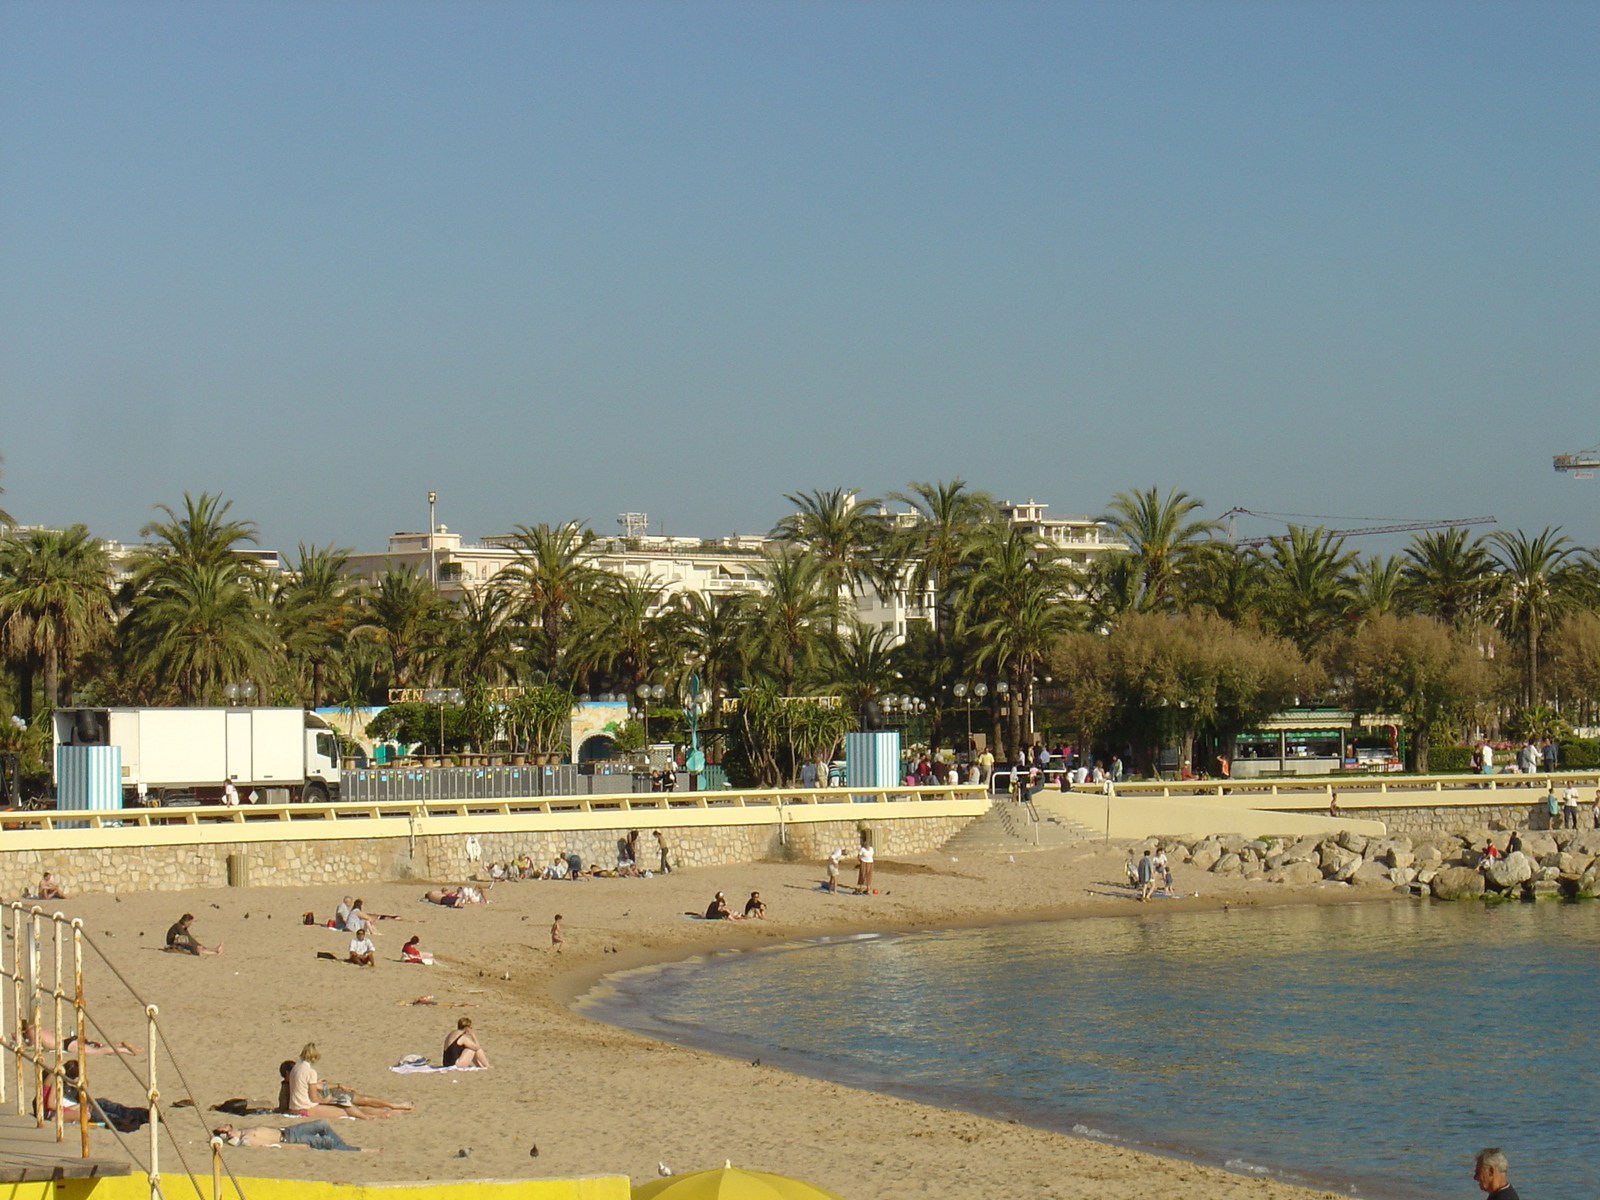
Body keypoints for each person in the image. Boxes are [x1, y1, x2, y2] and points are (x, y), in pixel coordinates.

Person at [285, 1044, 411, 1119]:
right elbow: (313, 1097)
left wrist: (338, 1086)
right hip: (305, 1108)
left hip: (297, 1106)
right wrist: (325, 1100)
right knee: (349, 1110)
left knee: (356, 1104)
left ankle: (393, 1109)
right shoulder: (310, 1072)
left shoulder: (296, 1068)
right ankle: (390, 1112)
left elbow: (309, 1086)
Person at [213, 1120, 370, 1152]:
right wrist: (297, 1146)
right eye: (224, 1130)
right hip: (289, 1139)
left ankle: (343, 1146)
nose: (225, 1128)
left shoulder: (244, 1129)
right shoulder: (247, 1139)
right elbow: (273, 1145)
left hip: (287, 1130)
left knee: (322, 1124)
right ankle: (355, 1150)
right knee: (326, 1142)